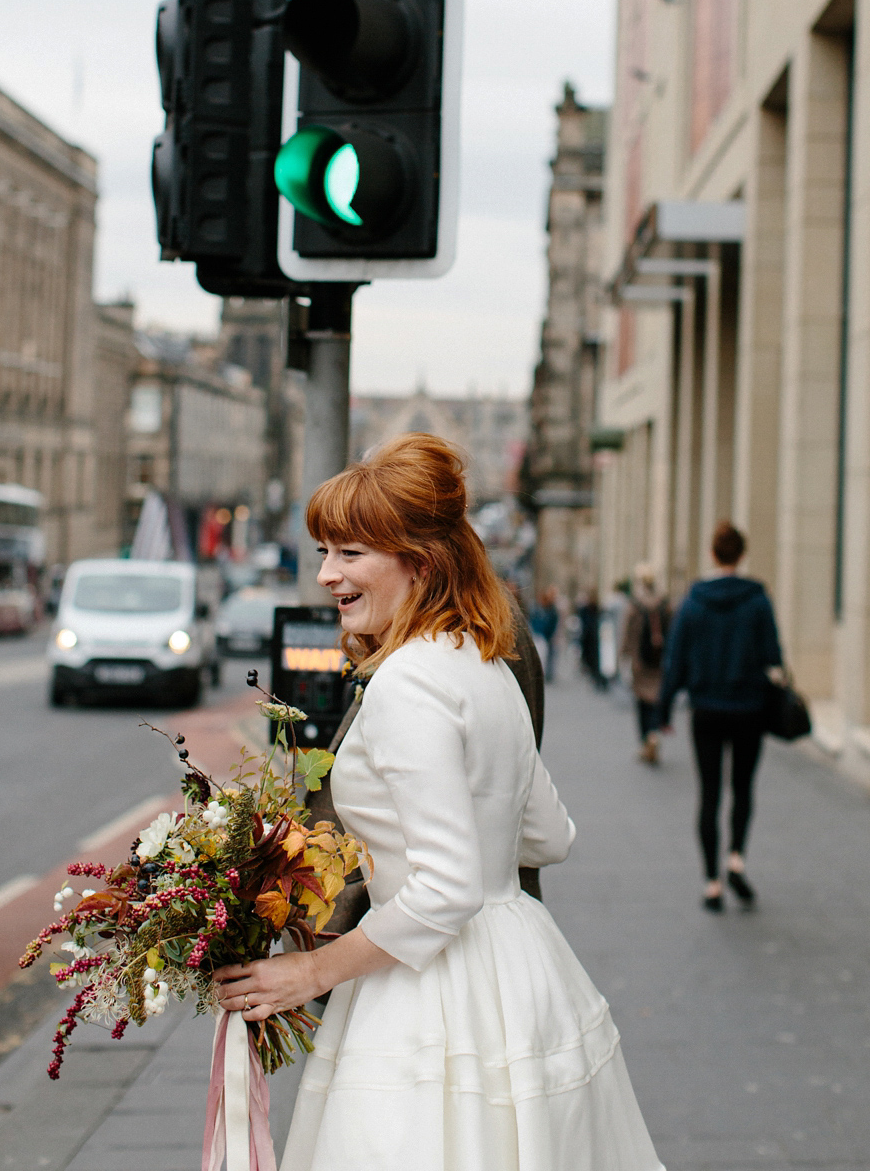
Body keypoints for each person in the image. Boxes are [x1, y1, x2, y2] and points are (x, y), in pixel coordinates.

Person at [215, 434, 664, 1171]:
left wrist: (310, 973)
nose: (327, 574)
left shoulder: (408, 682)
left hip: (429, 992)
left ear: (417, 564)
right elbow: (550, 837)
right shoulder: (482, 663)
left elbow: (446, 888)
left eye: (349, 554)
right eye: (326, 552)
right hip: (524, 971)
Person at [659, 521, 783, 913]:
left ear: (713, 554)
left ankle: (711, 882)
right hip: (748, 709)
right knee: (743, 788)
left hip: (707, 710)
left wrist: (663, 710)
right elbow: (774, 658)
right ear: (741, 555)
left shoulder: (695, 600)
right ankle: (736, 859)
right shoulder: (758, 599)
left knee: (710, 792)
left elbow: (675, 660)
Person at [621, 564, 671, 765]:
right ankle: (654, 733)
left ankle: (645, 740)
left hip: (640, 663)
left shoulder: (635, 603)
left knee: (642, 701)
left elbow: (627, 633)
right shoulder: (665, 603)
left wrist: (624, 655)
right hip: (660, 662)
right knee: (656, 698)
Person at [528, 585, 559, 682]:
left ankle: (545, 673)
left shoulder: (551, 611)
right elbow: (532, 621)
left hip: (546, 637)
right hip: (537, 635)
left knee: (546, 656)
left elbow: (553, 624)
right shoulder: (536, 609)